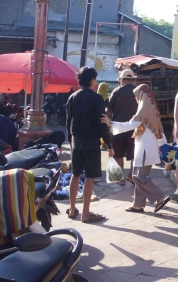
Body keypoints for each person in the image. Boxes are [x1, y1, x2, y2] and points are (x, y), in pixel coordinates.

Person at [101, 84, 170, 213]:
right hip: (150, 147)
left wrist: (110, 123)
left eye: (137, 96)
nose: (136, 99)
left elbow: (131, 125)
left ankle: (160, 196)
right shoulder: (153, 109)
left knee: (137, 176)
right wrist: (161, 145)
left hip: (144, 147)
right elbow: (159, 130)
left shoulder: (143, 109)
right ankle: (138, 204)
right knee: (141, 176)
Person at [66, 66, 114, 223]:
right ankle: (86, 213)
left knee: (75, 175)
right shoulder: (97, 99)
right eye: (95, 78)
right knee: (90, 177)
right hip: (91, 142)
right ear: (92, 80)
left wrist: (71, 141)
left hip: (76, 141)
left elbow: (68, 123)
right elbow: (101, 124)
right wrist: (109, 143)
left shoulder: (72, 97)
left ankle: (72, 209)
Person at [106, 69, 138, 185]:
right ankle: (132, 176)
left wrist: (105, 125)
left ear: (122, 79)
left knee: (118, 154)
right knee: (134, 154)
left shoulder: (116, 91)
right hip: (135, 129)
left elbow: (109, 112)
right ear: (133, 79)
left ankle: (120, 179)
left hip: (117, 128)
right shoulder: (138, 91)